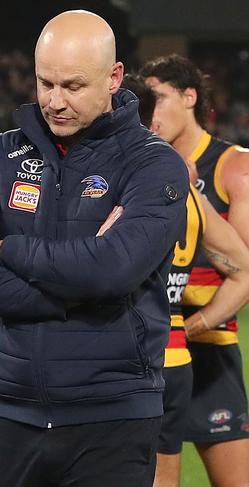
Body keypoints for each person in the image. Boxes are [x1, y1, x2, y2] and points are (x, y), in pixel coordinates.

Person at [0, 10, 189, 487]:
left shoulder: (154, 165)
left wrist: (7, 248)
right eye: (44, 83)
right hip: (15, 419)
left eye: (72, 86)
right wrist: (81, 286)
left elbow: (113, 270)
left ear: (114, 78)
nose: (54, 101)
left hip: (113, 421)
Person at [141, 54, 249, 487]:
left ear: (190, 97)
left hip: (210, 348)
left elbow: (245, 267)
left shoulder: (233, 166)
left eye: (160, 99)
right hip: (152, 349)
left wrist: (197, 323)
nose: (150, 113)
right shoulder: (144, 167)